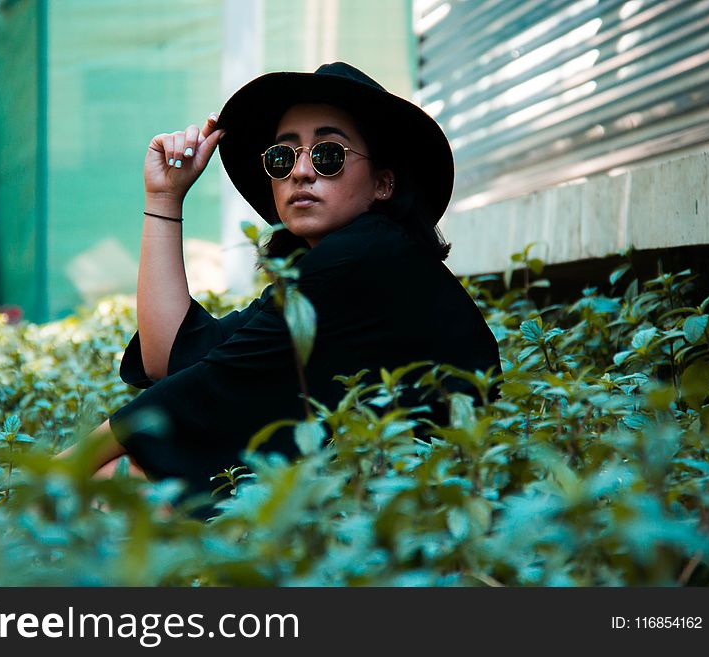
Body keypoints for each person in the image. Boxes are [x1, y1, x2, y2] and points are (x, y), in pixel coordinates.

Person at [59, 62, 502, 509]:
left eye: (328, 155)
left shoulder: (372, 255)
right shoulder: (322, 268)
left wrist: (61, 466)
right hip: (373, 487)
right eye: (282, 157)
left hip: (427, 504)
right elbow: (173, 359)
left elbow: (211, 382)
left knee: (120, 485)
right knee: (123, 481)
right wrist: (164, 197)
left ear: (383, 183)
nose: (301, 172)